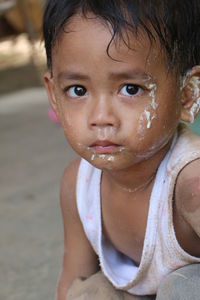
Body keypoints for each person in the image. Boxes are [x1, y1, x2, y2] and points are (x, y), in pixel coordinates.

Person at [43, 1, 200, 299]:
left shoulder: (191, 184)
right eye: (78, 90)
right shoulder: (78, 184)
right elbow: (72, 280)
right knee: (89, 293)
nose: (100, 117)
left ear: (187, 94)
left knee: (183, 288)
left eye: (130, 88)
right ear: (54, 95)